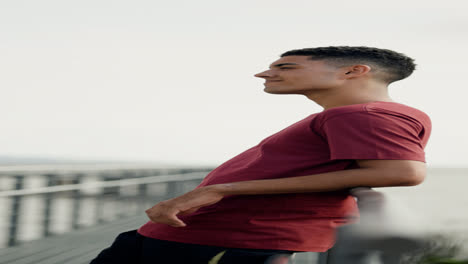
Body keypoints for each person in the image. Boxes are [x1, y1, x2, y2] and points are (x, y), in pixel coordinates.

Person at [90, 46, 432, 264]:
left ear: (354, 71)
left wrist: (220, 189)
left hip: (229, 242)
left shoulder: (364, 114)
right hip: (202, 235)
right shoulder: (350, 115)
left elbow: (402, 172)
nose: (265, 73)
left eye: (286, 66)